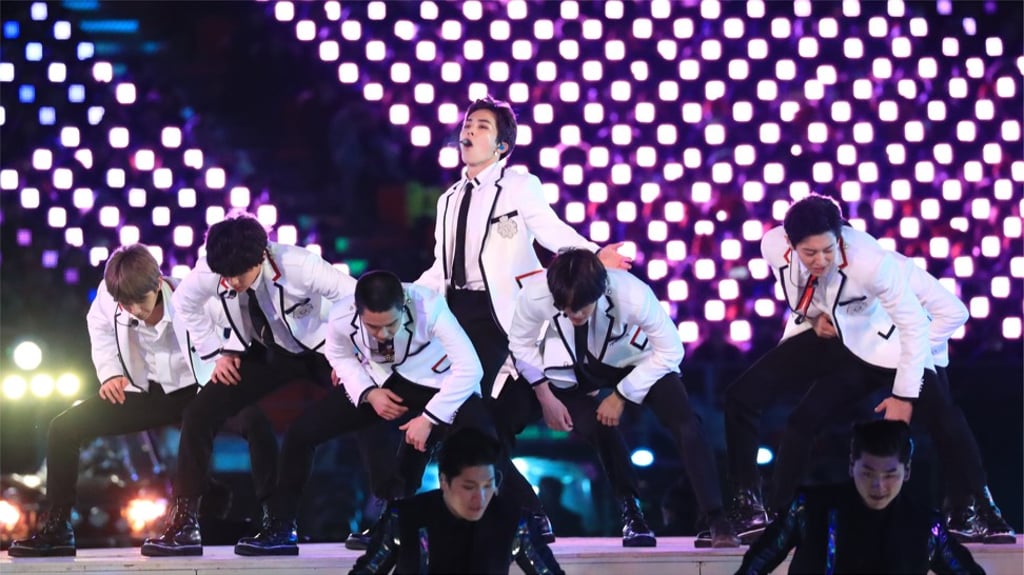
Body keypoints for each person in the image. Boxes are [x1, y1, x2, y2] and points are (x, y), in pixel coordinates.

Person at [410, 95, 634, 545]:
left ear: (502, 145)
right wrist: (401, 302)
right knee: (461, 420)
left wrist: (594, 255)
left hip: (502, 316)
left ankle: (534, 514)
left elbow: (551, 231)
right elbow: (438, 268)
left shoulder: (517, 185)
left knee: (474, 419)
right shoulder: (450, 198)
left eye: (482, 127)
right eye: (467, 124)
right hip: (457, 313)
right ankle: (525, 511)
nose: (468, 132)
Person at [725, 194, 1012, 544]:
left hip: (905, 349)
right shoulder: (774, 246)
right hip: (853, 343)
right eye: (810, 253)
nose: (820, 260)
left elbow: (918, 325)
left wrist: (903, 395)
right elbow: (805, 293)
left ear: (842, 235)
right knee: (789, 413)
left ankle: (983, 508)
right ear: (790, 243)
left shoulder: (874, 263)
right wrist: (814, 315)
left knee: (945, 418)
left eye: (828, 250)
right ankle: (766, 510)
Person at [142, 214, 393, 556]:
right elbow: (184, 303)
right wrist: (217, 351)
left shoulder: (299, 264)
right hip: (267, 350)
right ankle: (187, 521)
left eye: (238, 275)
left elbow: (352, 296)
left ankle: (389, 517)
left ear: (261, 256)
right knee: (200, 411)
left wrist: (346, 354)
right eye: (224, 276)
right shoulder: (212, 270)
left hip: (321, 349)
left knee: (366, 409)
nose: (230, 282)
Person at [9, 244, 277, 557]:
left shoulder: (190, 294)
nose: (134, 309)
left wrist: (227, 355)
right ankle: (56, 529)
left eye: (141, 301)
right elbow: (98, 326)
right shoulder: (111, 297)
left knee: (256, 422)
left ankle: (272, 524)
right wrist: (110, 373)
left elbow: (232, 320)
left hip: (202, 389)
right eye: (126, 303)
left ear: (158, 283)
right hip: (148, 391)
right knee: (63, 428)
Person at [239, 270, 505, 556]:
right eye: (373, 327)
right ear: (357, 311)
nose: (383, 334)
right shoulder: (342, 315)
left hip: (440, 382)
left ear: (403, 305)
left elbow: (470, 369)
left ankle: (512, 524)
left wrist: (429, 418)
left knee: (483, 438)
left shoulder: (430, 305)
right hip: (384, 381)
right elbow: (337, 354)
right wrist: (368, 392)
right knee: (301, 433)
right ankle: (281, 527)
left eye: (390, 325)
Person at [506, 248, 740, 548]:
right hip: (569, 370)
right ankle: (632, 514)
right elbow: (520, 344)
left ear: (602, 291)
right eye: (566, 308)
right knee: (597, 428)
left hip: (636, 362)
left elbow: (671, 350)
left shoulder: (633, 294)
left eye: (581, 308)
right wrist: (544, 394)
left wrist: (621, 395)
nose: (574, 315)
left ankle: (716, 517)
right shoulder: (537, 294)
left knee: (686, 423)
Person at [736, 420, 986, 574]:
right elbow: (759, 560)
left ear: (906, 471)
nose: (878, 485)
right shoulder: (810, 508)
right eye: (868, 473)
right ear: (851, 466)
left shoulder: (924, 524)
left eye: (890, 475)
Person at [895, 256, 1015, 544]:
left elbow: (952, 312)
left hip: (916, 352)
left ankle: (976, 507)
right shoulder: (821, 270)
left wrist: (913, 353)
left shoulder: (884, 265)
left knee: (946, 422)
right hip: (864, 355)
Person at [349, 427, 564, 575]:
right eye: (468, 487)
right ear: (444, 482)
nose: (479, 498)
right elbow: (368, 570)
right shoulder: (405, 517)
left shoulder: (514, 521)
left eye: (487, 486)